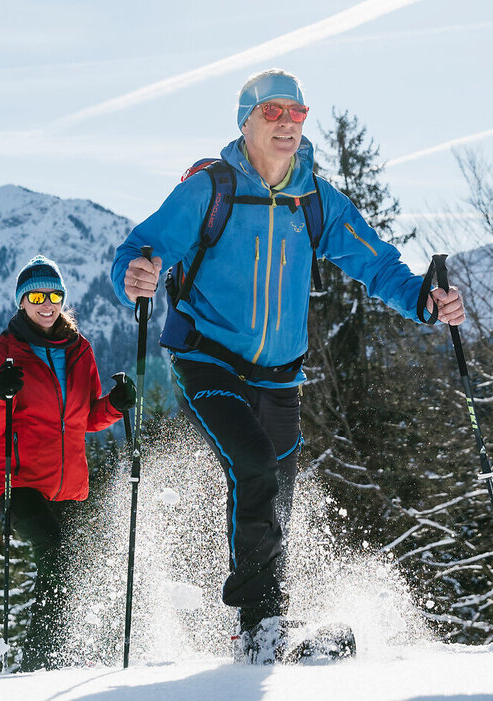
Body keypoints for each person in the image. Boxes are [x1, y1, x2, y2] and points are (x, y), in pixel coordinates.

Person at [109, 68, 465, 664]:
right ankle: (258, 628)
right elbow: (140, 249)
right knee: (253, 465)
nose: (287, 124)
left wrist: (425, 301)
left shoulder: (315, 200)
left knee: (277, 494)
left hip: (280, 375)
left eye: (297, 113)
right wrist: (134, 275)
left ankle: (271, 617)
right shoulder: (211, 189)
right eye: (272, 112)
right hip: (208, 361)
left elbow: (378, 266)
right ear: (245, 121)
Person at [0, 255, 134, 671]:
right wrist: (0, 395)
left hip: (71, 486)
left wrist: (114, 405)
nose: (47, 303)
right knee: (57, 558)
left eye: (54, 294)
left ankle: (59, 659)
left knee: (68, 575)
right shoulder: (1, 353)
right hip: (20, 483)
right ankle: (39, 664)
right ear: (21, 301)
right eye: (37, 295)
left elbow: (85, 418)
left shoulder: (80, 350)